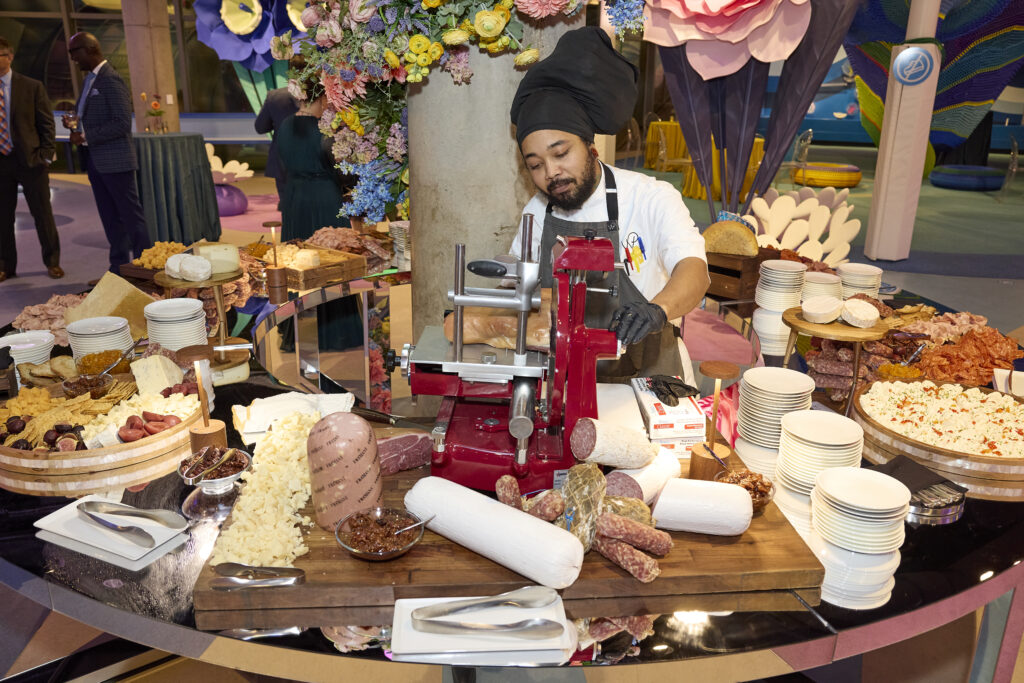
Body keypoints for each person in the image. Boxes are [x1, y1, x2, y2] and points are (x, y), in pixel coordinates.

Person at [509, 27, 709, 386]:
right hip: (566, 377)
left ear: (590, 145)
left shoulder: (650, 196)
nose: (551, 173)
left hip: (648, 371)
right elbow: (518, 289)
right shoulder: (537, 213)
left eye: (561, 153)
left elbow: (694, 271)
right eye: (535, 165)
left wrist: (657, 310)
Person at [63, 32, 150, 274]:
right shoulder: (90, 79)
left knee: (132, 219)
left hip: (116, 161)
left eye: (74, 53)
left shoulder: (111, 79)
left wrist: (87, 136)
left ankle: (145, 270)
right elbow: (92, 115)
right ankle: (118, 271)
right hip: (95, 161)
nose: (72, 59)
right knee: (111, 221)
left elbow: (122, 122)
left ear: (89, 49)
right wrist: (75, 124)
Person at [0, 36, 62, 282]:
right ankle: (5, 266)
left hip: (31, 161)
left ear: (9, 56)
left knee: (42, 215)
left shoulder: (31, 86)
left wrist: (46, 155)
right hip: (1, 163)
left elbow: (46, 124)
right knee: (3, 217)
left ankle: (52, 262)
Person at [254, 56, 301, 209]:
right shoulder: (323, 94)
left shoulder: (274, 96)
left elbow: (260, 127)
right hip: (316, 160)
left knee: (288, 208)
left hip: (283, 160)